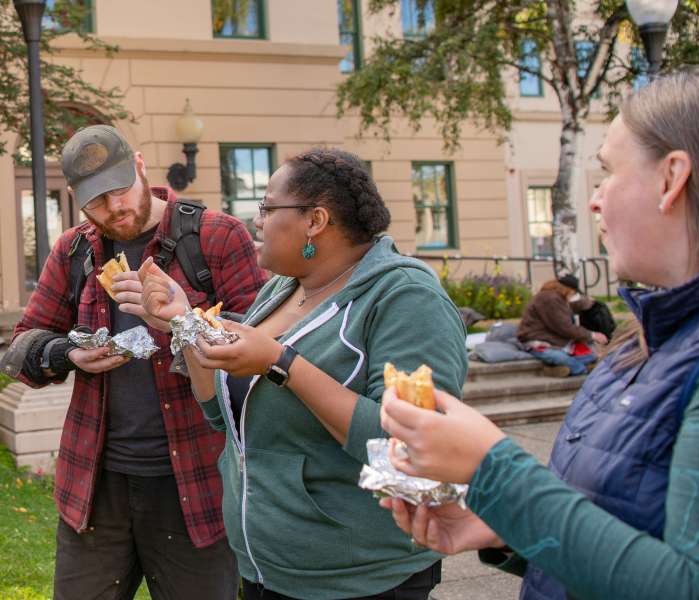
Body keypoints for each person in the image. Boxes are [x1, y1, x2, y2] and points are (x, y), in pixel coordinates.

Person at [379, 66, 699, 600]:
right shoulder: (650, 337)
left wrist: (493, 471)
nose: (595, 200)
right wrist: (508, 527)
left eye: (607, 174)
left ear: (671, 178)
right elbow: (629, 529)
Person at [134, 148, 468, 600]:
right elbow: (222, 416)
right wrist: (183, 321)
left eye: (268, 207)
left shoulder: (406, 298)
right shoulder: (283, 289)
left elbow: (409, 450)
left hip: (358, 579)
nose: (257, 220)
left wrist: (282, 364)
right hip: (265, 570)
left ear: (315, 220)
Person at [2, 125, 267, 600]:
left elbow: (262, 351)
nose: (114, 209)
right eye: (96, 202)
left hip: (197, 480)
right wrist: (69, 354)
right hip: (96, 485)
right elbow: (22, 347)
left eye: (120, 191)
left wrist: (183, 322)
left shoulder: (216, 237)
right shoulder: (75, 249)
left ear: (141, 166)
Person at [516, 277, 606, 376]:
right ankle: (562, 370)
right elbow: (565, 327)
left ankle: (562, 368)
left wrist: (588, 303)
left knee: (590, 356)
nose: (573, 295)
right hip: (539, 341)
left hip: (554, 340)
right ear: (568, 290)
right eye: (573, 292)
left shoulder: (556, 297)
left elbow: (568, 308)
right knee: (572, 364)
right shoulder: (550, 298)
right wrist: (592, 335)